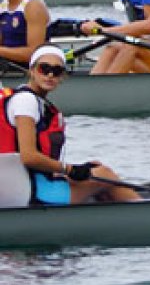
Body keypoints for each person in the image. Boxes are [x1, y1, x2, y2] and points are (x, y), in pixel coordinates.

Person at [0, 45, 139, 204]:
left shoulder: (32, 100)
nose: (50, 75)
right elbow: (29, 157)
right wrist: (70, 169)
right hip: (31, 192)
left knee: (96, 171)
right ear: (31, 71)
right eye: (44, 68)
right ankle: (145, 214)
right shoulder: (26, 101)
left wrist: (78, 169)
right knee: (105, 175)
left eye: (57, 71)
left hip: (27, 184)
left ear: (62, 77)